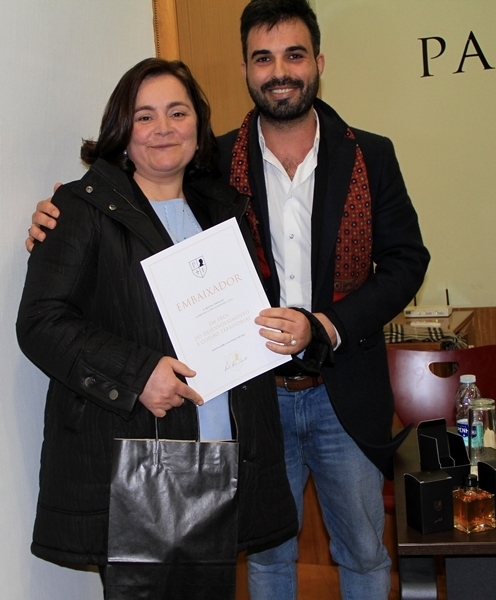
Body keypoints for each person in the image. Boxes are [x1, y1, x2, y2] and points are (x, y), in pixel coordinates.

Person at [26, 1, 431, 599]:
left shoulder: (370, 155)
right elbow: (131, 198)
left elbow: (406, 262)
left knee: (366, 552)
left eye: (294, 55)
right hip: (251, 399)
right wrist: (61, 208)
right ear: (245, 70)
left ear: (318, 63)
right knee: (264, 556)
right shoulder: (214, 166)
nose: (280, 71)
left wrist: (327, 325)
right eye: (263, 59)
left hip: (342, 393)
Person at [17, 57, 298, 600]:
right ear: (122, 132)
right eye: (145, 116)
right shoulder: (81, 207)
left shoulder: (223, 207)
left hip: (224, 454)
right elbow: (40, 322)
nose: (163, 128)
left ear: (198, 125)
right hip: (138, 468)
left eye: (177, 112)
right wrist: (138, 374)